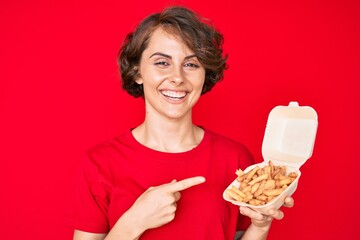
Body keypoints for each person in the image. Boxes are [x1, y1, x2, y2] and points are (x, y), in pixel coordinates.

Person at [72, 6, 294, 240]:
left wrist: (260, 226)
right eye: (162, 63)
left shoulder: (235, 159)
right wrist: (133, 222)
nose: (178, 77)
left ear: (204, 74)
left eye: (191, 64)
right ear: (138, 72)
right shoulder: (100, 164)